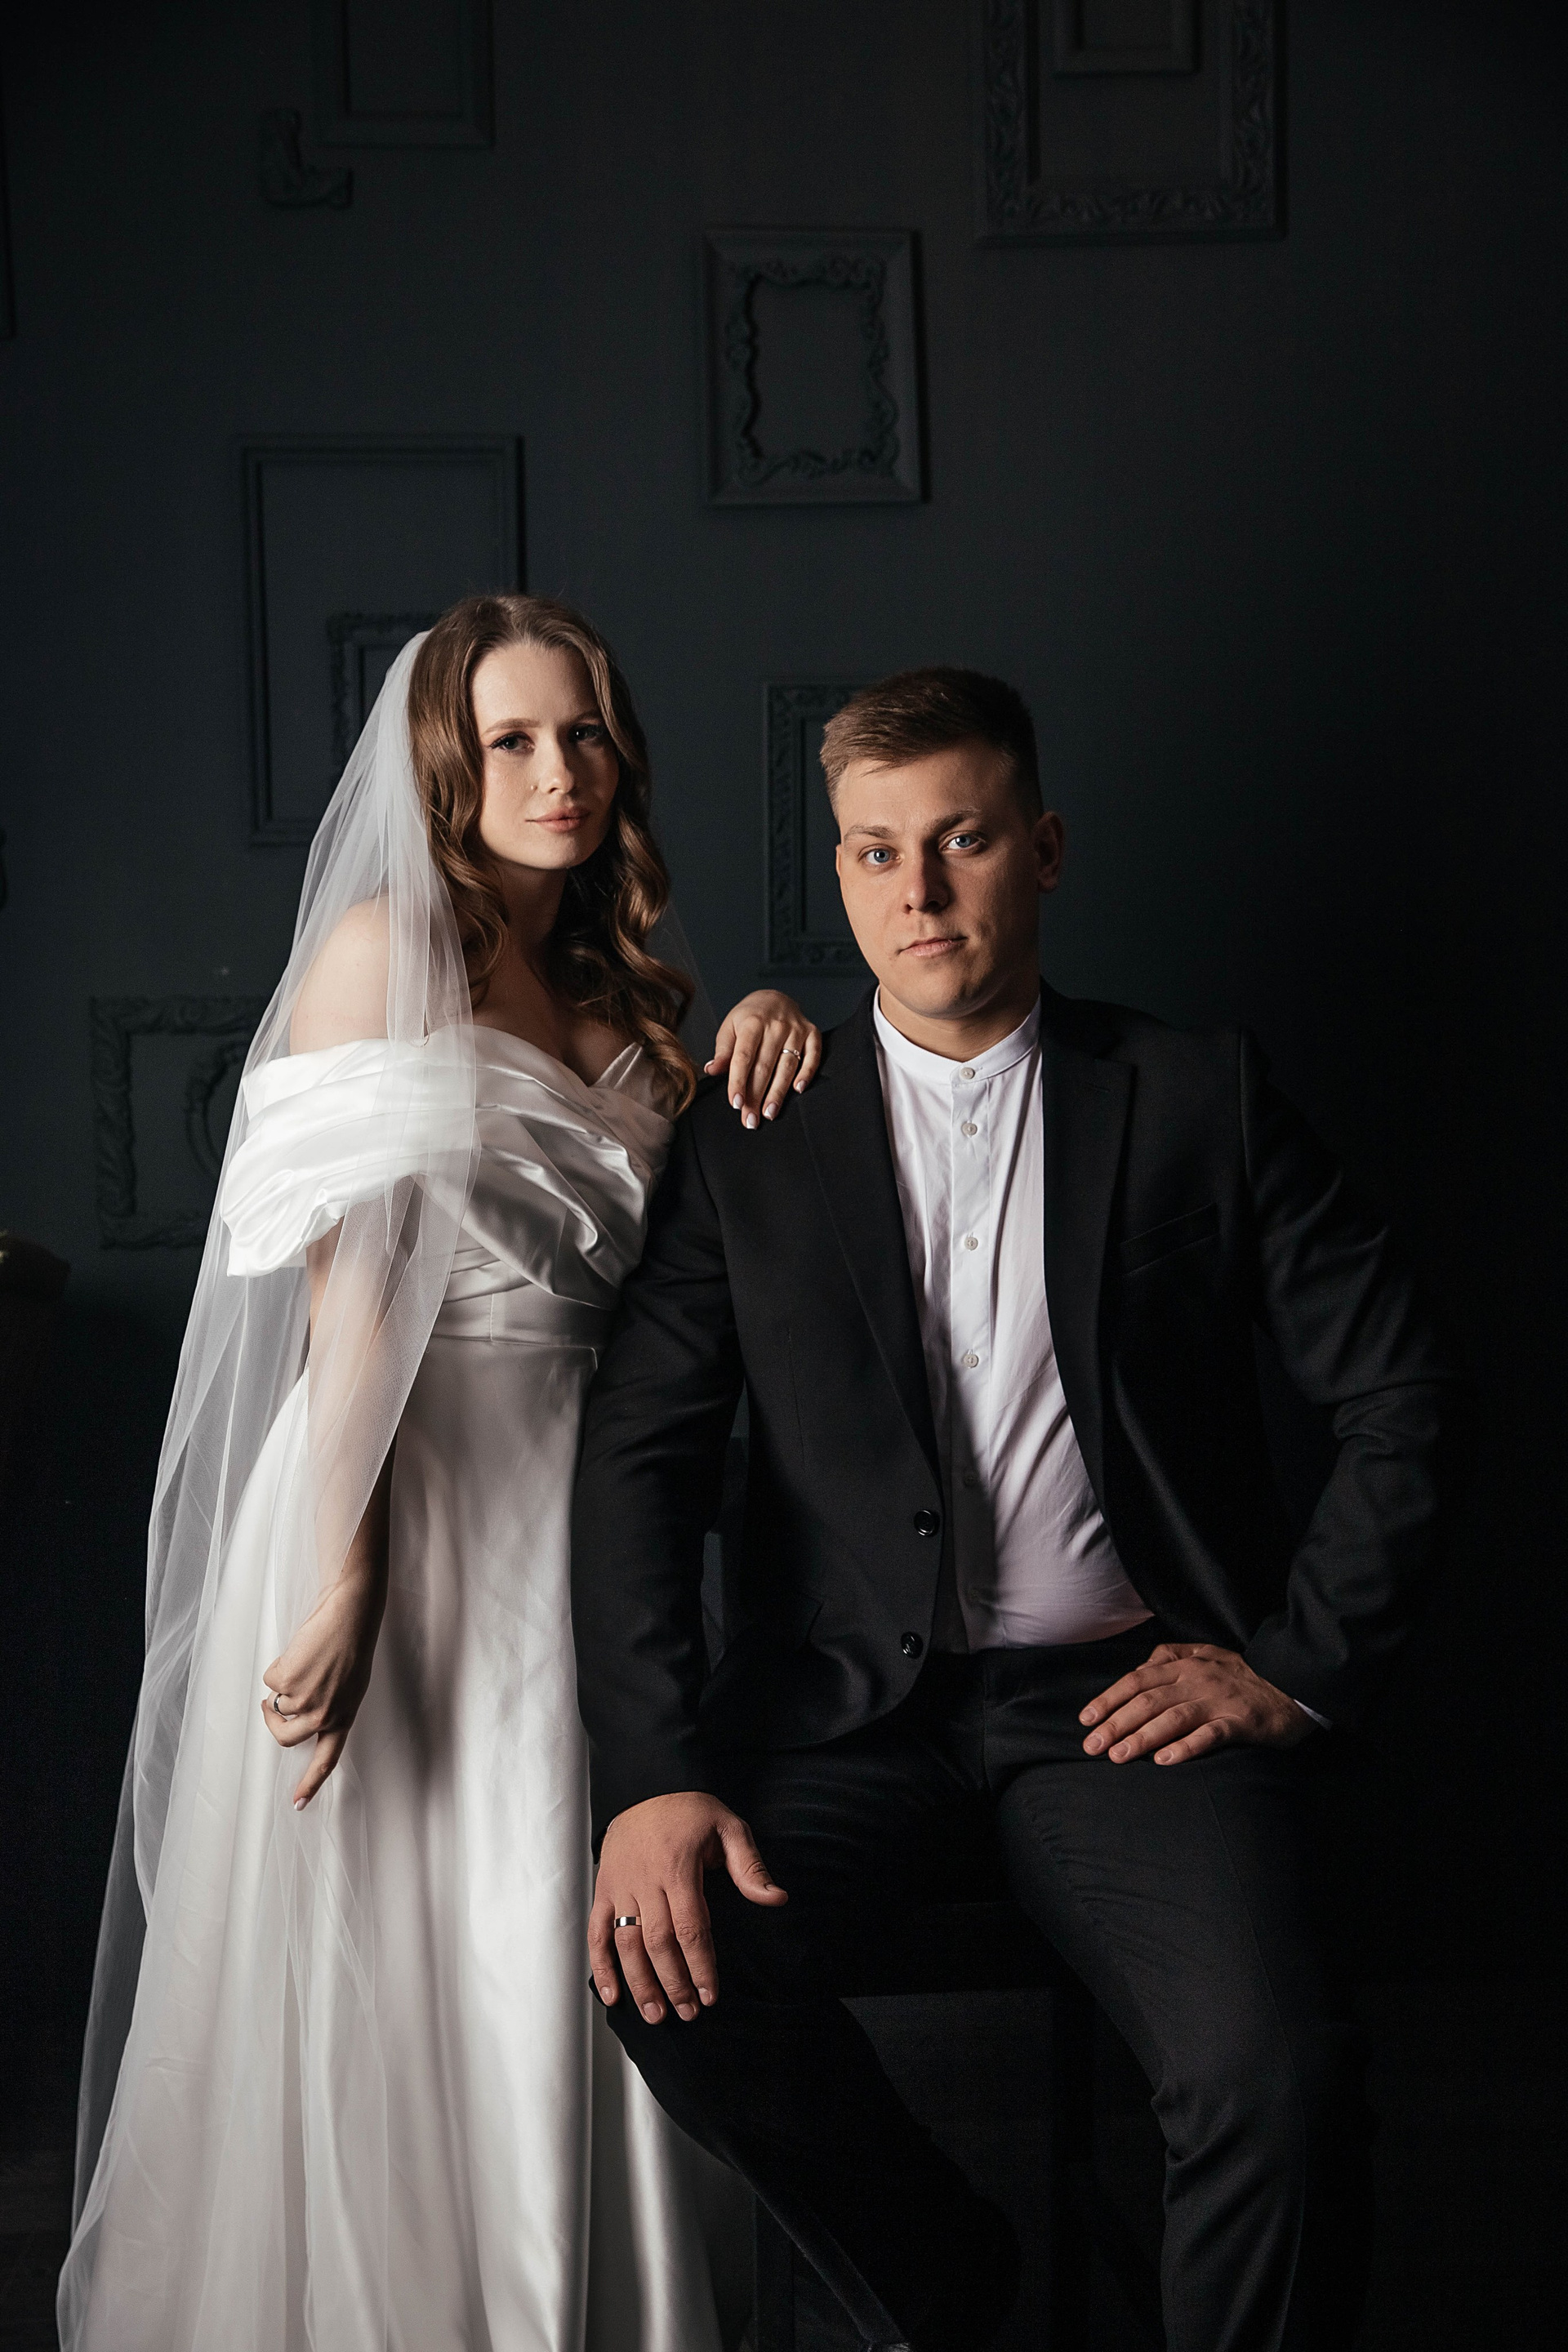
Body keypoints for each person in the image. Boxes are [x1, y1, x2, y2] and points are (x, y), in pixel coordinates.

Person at [571, 666, 1463, 2350]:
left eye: (962, 840)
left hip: (1127, 1707)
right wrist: (654, 1773)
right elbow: (641, 1460)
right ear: (842, 874)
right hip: (841, 1716)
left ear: (1042, 850)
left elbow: (1405, 1388)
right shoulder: (752, 1132)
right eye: (874, 852)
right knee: (666, 1974)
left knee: (1276, 2074)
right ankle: (953, 2293)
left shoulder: (1198, 1094)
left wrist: (1296, 1665)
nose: (917, 891)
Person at [60, 594, 824, 2352]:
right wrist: (347, 1564)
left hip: (587, 1524)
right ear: (443, 768)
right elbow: (352, 1289)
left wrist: (770, 1024)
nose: (559, 772)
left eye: (584, 734)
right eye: (512, 740)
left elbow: (704, 1260)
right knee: (402, 1937)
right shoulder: (379, 950)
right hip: (397, 1492)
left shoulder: (627, 987)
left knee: (557, 1921)